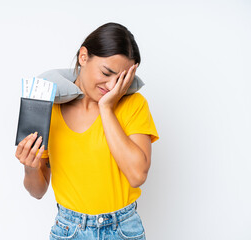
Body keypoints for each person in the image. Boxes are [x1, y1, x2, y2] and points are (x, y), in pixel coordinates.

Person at [15, 22, 159, 240]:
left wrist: (107, 108)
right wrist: (30, 168)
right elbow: (37, 191)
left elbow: (137, 175)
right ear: (83, 56)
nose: (112, 86)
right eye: (106, 72)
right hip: (69, 230)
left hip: (122, 230)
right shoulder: (49, 107)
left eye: (120, 79)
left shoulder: (133, 105)